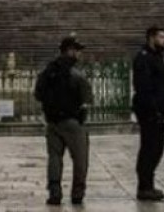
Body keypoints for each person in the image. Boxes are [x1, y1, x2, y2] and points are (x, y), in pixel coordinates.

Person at [35, 35, 93, 206]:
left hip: (52, 122)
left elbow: (38, 94)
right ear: (70, 51)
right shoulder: (76, 74)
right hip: (72, 122)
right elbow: (87, 99)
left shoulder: (47, 71)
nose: (80, 54)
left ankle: (55, 192)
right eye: (78, 51)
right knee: (80, 159)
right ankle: (77, 193)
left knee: (54, 157)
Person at [132, 26, 164, 202]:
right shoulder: (144, 58)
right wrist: (153, 108)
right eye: (161, 37)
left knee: (157, 148)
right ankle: (144, 187)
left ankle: (148, 184)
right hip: (149, 111)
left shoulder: (157, 57)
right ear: (151, 38)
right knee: (150, 148)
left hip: (158, 110)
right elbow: (144, 87)